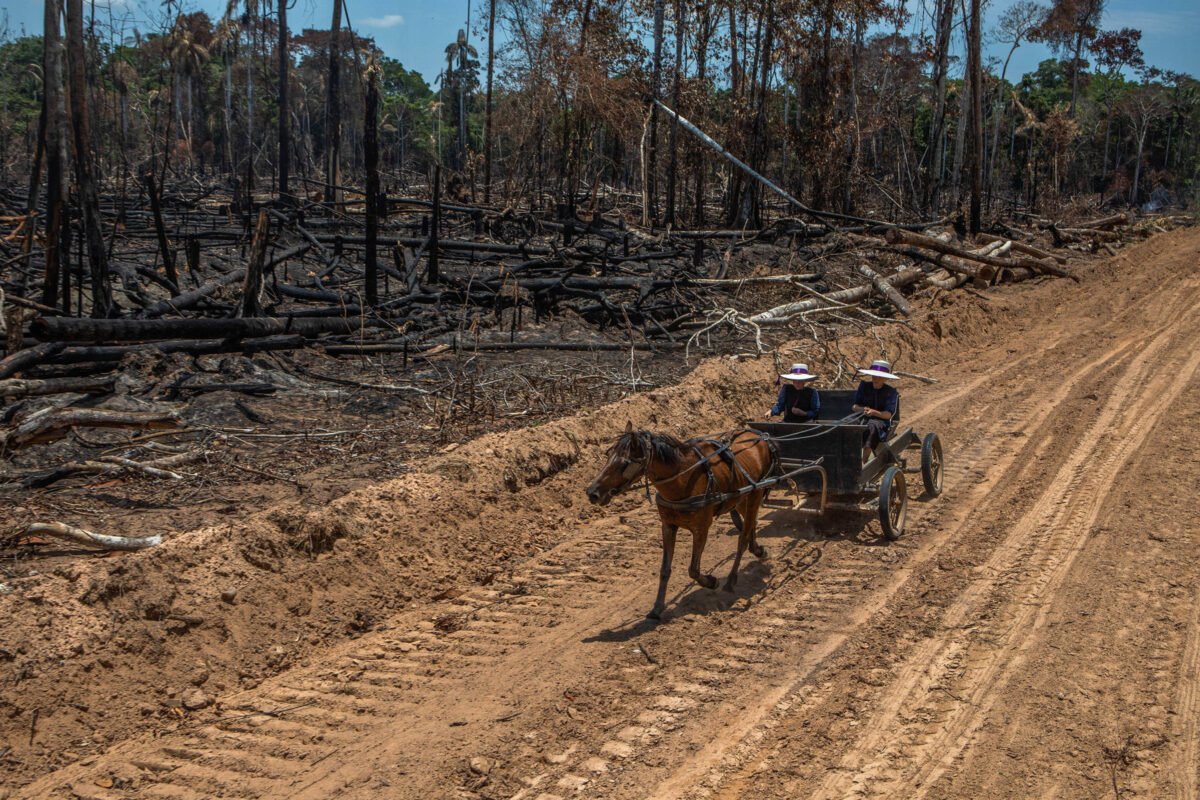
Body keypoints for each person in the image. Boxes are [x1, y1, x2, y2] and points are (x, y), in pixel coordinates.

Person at [853, 359, 900, 463]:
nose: (876, 378)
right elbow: (855, 407)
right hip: (861, 417)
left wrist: (874, 412)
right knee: (849, 426)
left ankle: (864, 460)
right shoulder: (864, 386)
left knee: (872, 425)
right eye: (874, 375)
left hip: (881, 422)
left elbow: (888, 415)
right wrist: (863, 409)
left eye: (879, 377)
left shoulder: (891, 392)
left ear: (885, 378)